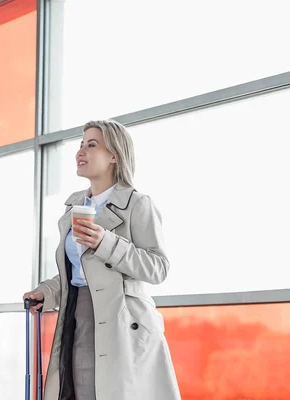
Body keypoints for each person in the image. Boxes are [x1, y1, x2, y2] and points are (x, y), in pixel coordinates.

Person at [23, 120, 181, 399]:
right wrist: (46, 292)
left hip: (122, 320)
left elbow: (158, 268)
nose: (80, 151)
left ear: (114, 156)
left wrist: (105, 242)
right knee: (77, 390)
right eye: (81, 144)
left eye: (91, 145)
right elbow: (78, 271)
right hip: (77, 313)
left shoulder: (137, 203)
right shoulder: (75, 207)